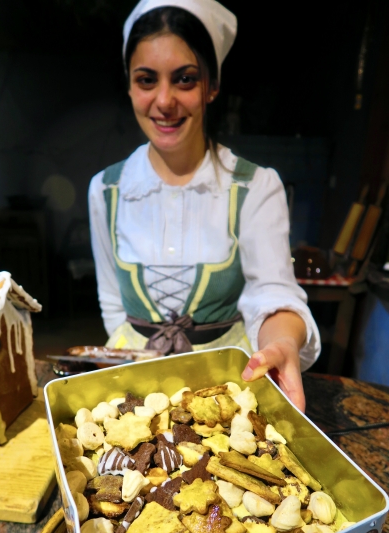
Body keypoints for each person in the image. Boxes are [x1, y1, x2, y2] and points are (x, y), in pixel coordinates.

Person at [88, 0, 320, 412]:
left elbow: (273, 290)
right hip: (132, 393)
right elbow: (112, 304)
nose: (164, 101)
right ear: (129, 86)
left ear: (211, 86)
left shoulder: (255, 186)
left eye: (185, 80)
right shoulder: (105, 190)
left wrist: (281, 343)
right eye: (146, 80)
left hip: (225, 393)